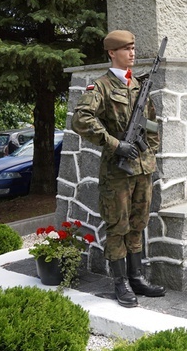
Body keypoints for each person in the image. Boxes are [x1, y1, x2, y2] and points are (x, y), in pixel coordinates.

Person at [71, 30, 166, 308]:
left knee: (138, 222)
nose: (132, 53)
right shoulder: (99, 87)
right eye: (126, 49)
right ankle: (120, 282)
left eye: (134, 48)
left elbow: (151, 125)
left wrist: (149, 152)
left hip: (142, 169)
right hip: (117, 171)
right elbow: (82, 119)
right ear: (112, 53)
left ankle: (136, 277)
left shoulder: (138, 85)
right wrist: (115, 145)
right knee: (118, 226)